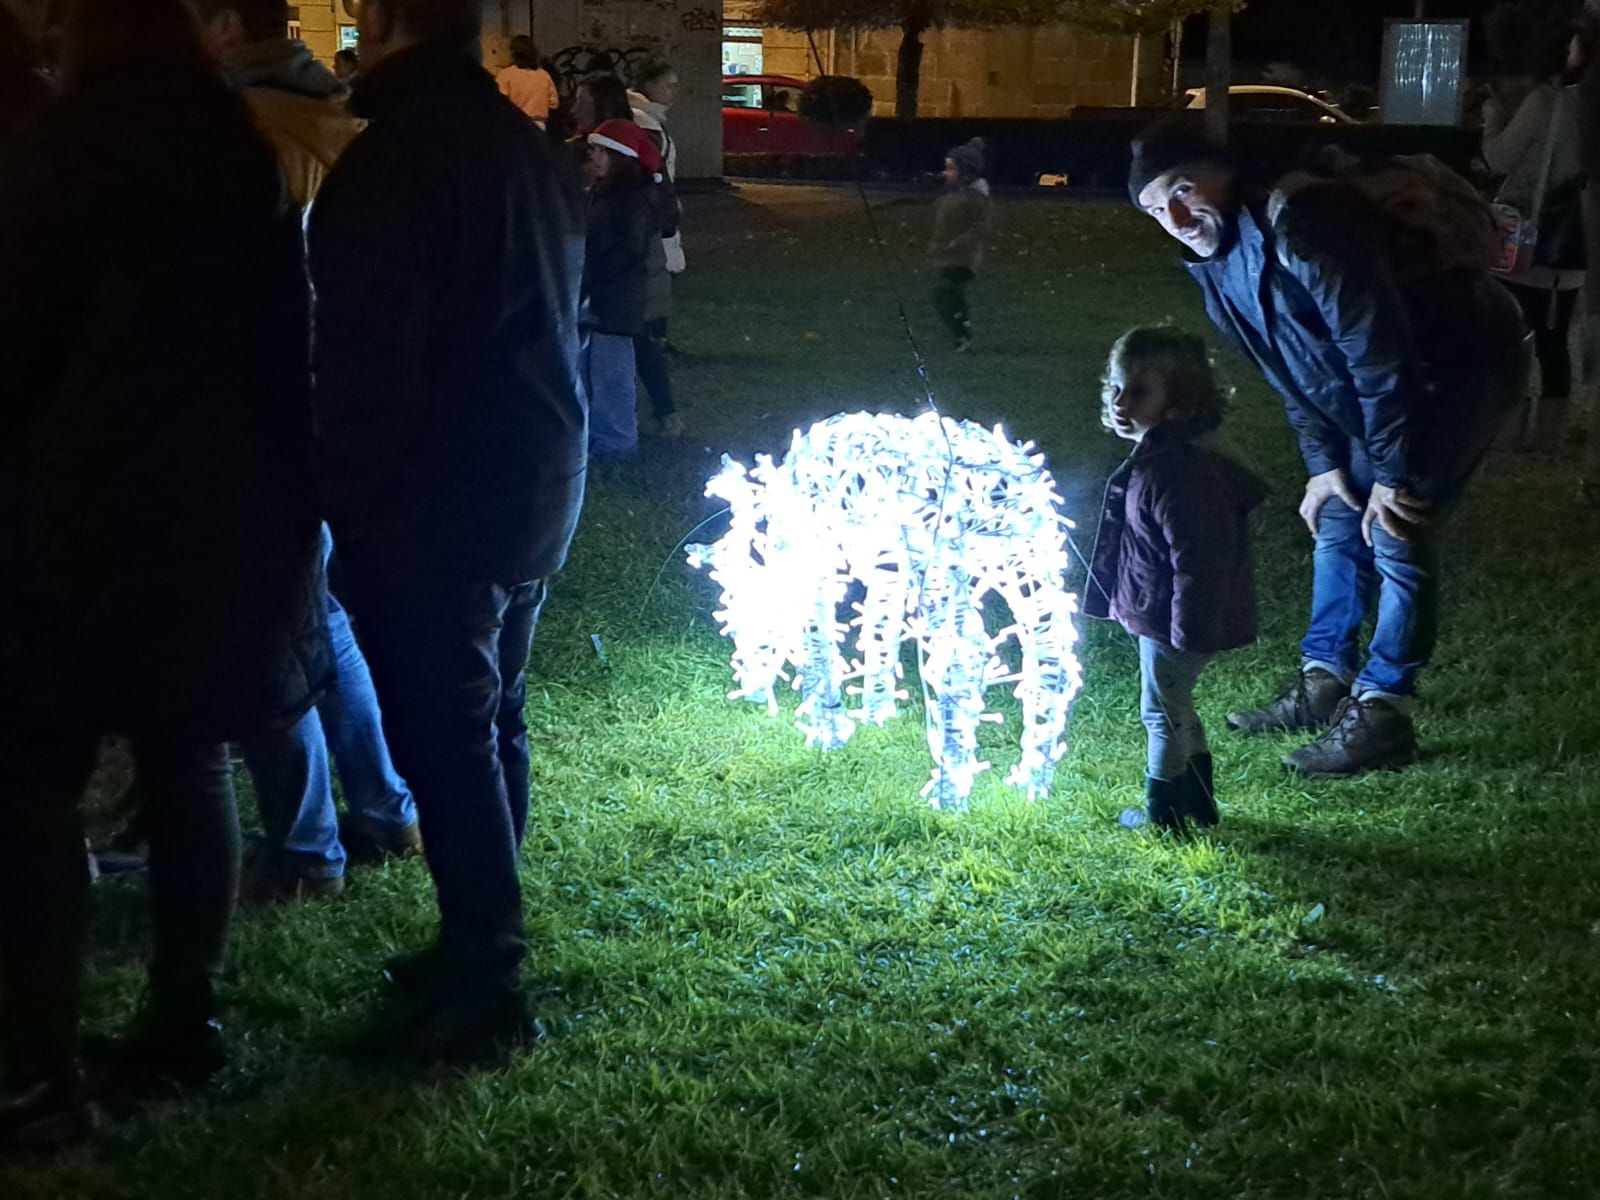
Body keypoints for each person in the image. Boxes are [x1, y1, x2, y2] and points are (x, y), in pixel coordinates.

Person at [0, 0, 325, 1148]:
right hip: (216, 518)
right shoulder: (231, 146)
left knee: (35, 785)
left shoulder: (60, 149)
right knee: (189, 761)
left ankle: (41, 1071)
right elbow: (285, 343)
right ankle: (184, 1024)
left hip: (76, 519)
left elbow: (24, 344)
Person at [307, 0, 586, 1063]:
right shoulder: (524, 149)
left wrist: (351, 493)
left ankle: (487, 979)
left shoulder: (398, 163)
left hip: (440, 500)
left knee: (449, 740)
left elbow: (368, 359)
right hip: (532, 476)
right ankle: (476, 941)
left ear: (386, 24)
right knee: (491, 722)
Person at [1128, 117, 1527, 777]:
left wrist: (1396, 476)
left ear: (1220, 173)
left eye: (1181, 188)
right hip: (1375, 385)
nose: (1173, 214)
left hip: (1457, 366)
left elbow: (1379, 352)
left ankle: (1382, 713)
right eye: (1153, 209)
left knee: (1399, 526)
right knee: (1340, 513)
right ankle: (1324, 684)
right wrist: (1326, 467)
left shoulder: (1307, 221)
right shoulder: (1218, 263)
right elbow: (1290, 370)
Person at [194, 0, 418, 903]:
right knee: (316, 611)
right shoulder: (341, 121)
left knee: (259, 622)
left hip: (259, 402)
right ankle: (384, 806)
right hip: (339, 393)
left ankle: (304, 847)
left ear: (217, 30)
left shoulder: (236, 131)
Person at [1086, 328, 1267, 832]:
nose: (1121, 402)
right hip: (1166, 615)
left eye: (1139, 392)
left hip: (1174, 623)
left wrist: (1188, 632)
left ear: (1180, 403)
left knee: (1160, 714)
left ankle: (1163, 812)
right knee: (1177, 707)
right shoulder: (1159, 458)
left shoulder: (1177, 473)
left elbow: (1200, 561)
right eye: (1116, 388)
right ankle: (1199, 804)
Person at [1483, 18, 1590, 451]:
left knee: (1509, 338)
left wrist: (1491, 121)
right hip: (1576, 245)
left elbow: (1500, 159)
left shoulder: (1547, 102)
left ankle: (1507, 432)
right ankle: (1548, 436)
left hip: (1526, 243)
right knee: (1554, 341)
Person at [583, 117, 665, 459]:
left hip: (615, 302)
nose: (595, 158)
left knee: (611, 375)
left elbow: (624, 250)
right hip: (607, 297)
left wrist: (592, 280)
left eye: (603, 151)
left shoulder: (628, 199)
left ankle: (617, 442)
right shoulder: (611, 195)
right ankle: (604, 437)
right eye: (594, 151)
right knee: (598, 372)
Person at [629, 56, 687, 436]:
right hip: (641, 233)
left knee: (635, 327)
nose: (674, 90)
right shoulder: (642, 125)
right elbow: (655, 182)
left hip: (645, 230)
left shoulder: (651, 124)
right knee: (636, 325)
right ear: (648, 86)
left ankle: (663, 409)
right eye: (668, 83)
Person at [928, 137, 992, 353]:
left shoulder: (974, 198)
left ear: (965, 172)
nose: (946, 173)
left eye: (951, 169)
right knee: (950, 295)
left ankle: (962, 333)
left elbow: (980, 226)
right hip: (948, 254)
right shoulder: (954, 194)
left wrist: (959, 242)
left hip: (962, 256)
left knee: (945, 292)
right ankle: (961, 333)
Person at [496, 32, 557, 129]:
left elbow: (499, 103)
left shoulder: (506, 75)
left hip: (514, 125)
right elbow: (554, 103)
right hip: (539, 125)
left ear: (513, 53)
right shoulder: (544, 75)